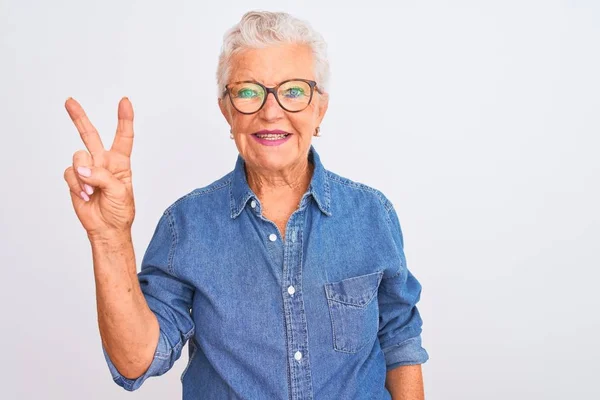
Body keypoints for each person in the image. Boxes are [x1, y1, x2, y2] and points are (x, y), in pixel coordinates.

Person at [63, 10, 429, 400]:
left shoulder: (372, 215)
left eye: (293, 91)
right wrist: (109, 238)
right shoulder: (185, 226)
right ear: (227, 110)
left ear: (319, 108)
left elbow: (399, 339)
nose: (271, 112)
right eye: (249, 92)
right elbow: (134, 361)